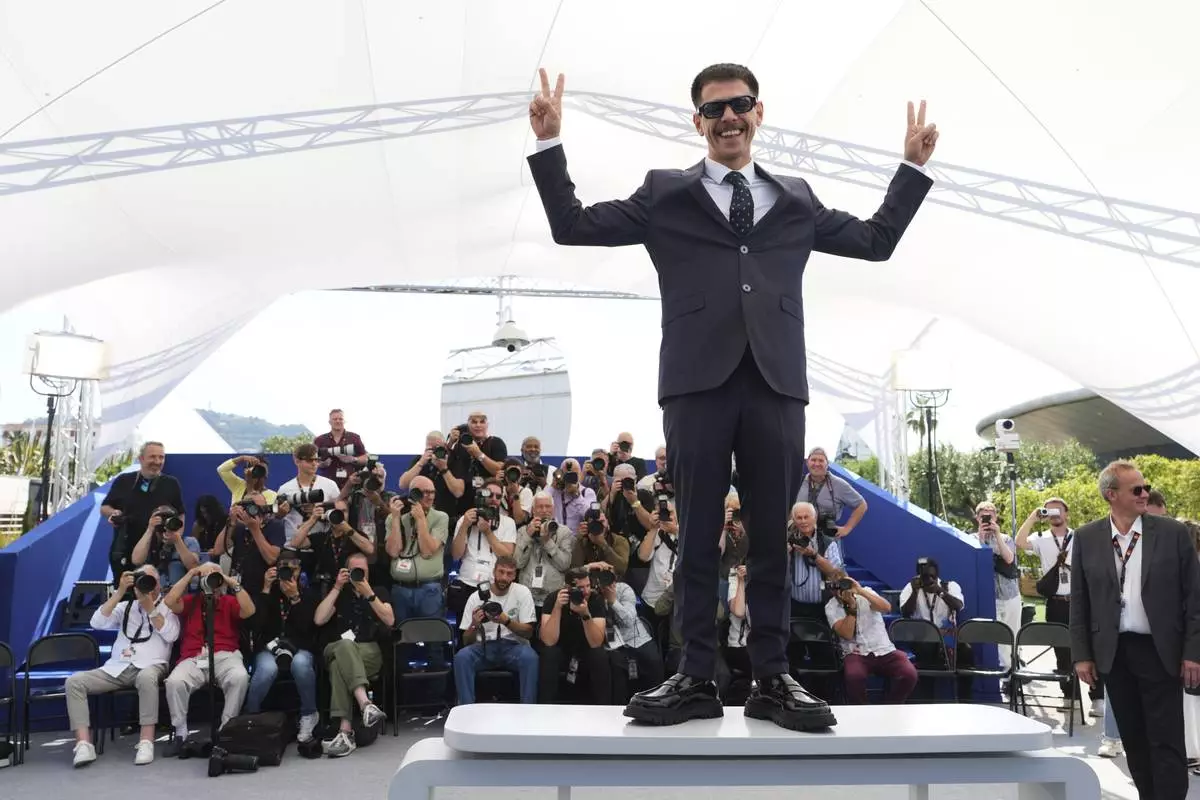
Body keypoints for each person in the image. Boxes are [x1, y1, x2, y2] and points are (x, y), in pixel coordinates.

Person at [526, 62, 935, 730]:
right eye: (714, 109)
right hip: (696, 384)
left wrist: (911, 169)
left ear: (758, 111)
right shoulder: (666, 193)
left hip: (776, 384)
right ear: (698, 123)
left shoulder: (795, 197)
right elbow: (573, 224)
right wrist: (549, 144)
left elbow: (875, 240)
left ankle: (773, 679)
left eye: (739, 104)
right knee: (695, 538)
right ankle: (692, 677)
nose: (728, 118)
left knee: (772, 537)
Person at [1071, 461, 1200, 800]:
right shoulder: (1086, 537)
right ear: (1111, 495)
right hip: (1114, 653)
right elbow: (1079, 601)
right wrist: (1082, 654)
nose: (1145, 494)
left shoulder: (1172, 534)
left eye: (1145, 488)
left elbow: (1195, 598)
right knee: (1134, 740)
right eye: (1137, 489)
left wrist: (1193, 652)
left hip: (1161, 650)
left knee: (1166, 740)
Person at [64, 565, 178, 767]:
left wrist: (150, 606)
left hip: (151, 666)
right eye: (143, 581)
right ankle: (83, 744)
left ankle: (146, 741)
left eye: (152, 581)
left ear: (159, 584)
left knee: (146, 678)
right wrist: (120, 592)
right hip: (117, 668)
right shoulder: (126, 607)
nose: (148, 586)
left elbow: (171, 635)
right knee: (74, 682)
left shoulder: (168, 607)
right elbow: (97, 622)